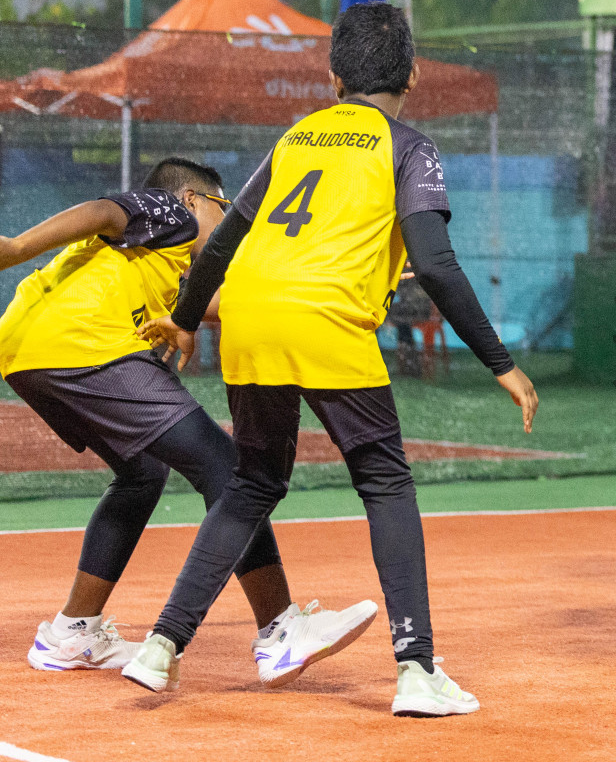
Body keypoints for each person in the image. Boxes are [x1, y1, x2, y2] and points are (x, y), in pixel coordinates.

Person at [127, 3, 540, 716]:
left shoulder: (296, 138)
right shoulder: (408, 147)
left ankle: (160, 644)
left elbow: (221, 240)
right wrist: (501, 361)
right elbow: (435, 265)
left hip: (251, 313)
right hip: (327, 317)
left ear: (331, 76)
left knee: (253, 482)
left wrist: (190, 320)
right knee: (385, 482)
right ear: (412, 73)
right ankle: (417, 669)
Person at [3, 158, 375, 684]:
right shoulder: (170, 214)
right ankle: (280, 630)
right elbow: (103, 210)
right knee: (227, 468)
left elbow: (228, 302)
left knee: (143, 474)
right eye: (223, 207)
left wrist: (336, 285)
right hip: (81, 345)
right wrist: (17, 247)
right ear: (194, 200)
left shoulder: (168, 266)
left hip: (28, 354)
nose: (229, 220)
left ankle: (71, 633)